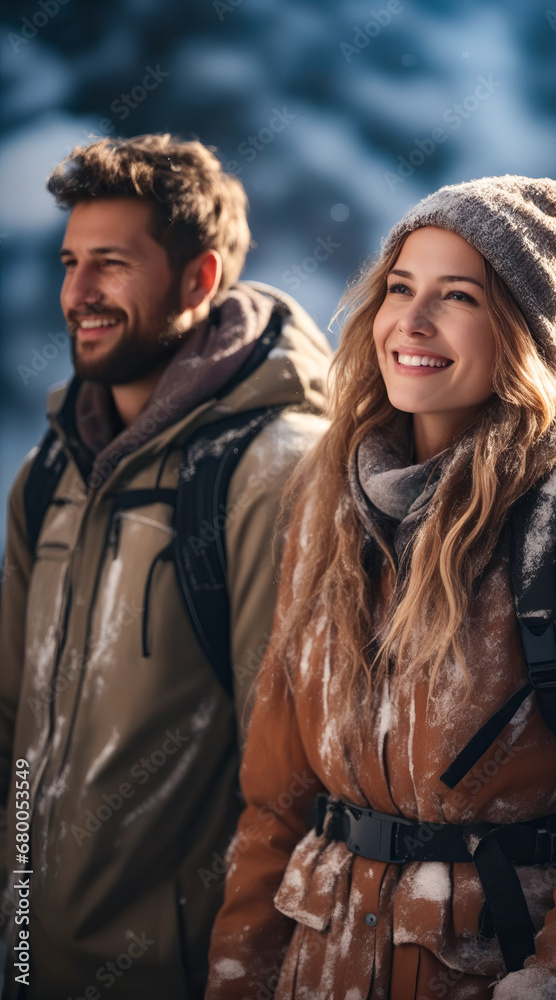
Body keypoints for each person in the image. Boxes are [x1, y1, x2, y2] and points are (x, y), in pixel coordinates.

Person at [205, 176, 556, 999]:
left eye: (455, 297)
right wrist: (238, 978)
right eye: (397, 289)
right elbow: (275, 804)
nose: (410, 324)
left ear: (521, 333)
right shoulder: (325, 499)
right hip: (316, 969)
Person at [0, 133, 331, 999]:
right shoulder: (50, 471)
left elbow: (293, 776)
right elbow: (12, 722)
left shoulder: (274, 472)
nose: (78, 294)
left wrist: (239, 974)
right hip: (30, 964)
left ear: (199, 280)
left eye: (111, 264)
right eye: (71, 262)